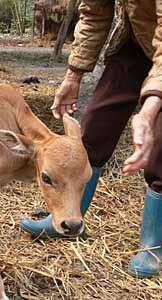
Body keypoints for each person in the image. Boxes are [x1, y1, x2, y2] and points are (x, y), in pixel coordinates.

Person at [20, 1, 162, 278]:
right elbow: (94, 14)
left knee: (160, 148)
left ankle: (153, 243)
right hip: (133, 41)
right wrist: (73, 76)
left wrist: (149, 109)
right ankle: (68, 217)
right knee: (94, 131)